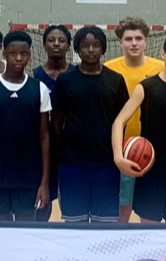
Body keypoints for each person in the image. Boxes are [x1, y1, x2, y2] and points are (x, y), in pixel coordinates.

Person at [112, 31, 166, 224]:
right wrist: (118, 157)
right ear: (163, 54)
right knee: (150, 232)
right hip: (150, 173)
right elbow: (119, 121)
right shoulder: (145, 87)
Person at [53, 27, 128, 223]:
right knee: (74, 223)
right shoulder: (65, 80)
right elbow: (57, 121)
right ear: (77, 49)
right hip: (73, 165)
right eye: (85, 46)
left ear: (103, 49)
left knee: (104, 224)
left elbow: (122, 121)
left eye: (96, 45)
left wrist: (116, 150)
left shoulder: (116, 80)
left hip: (106, 164)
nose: (91, 50)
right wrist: (63, 152)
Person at [0, 30, 51, 222]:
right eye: (13, 53)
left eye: (23, 54)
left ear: (29, 56)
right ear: (4, 54)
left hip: (29, 177)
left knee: (26, 229)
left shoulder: (39, 88)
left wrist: (44, 182)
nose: (18, 58)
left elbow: (44, 137)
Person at [105, 17, 165, 221]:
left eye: (138, 38)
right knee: (123, 208)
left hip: (153, 150)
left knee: (149, 211)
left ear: (146, 41)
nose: (134, 43)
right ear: (120, 42)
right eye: (128, 39)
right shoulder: (109, 68)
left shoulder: (161, 68)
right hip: (122, 149)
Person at [32, 24, 75, 221]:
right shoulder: (35, 75)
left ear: (69, 46)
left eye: (61, 40)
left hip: (70, 145)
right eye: (51, 40)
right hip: (42, 144)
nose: (56, 44)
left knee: (70, 197)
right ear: (44, 45)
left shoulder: (76, 74)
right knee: (43, 197)